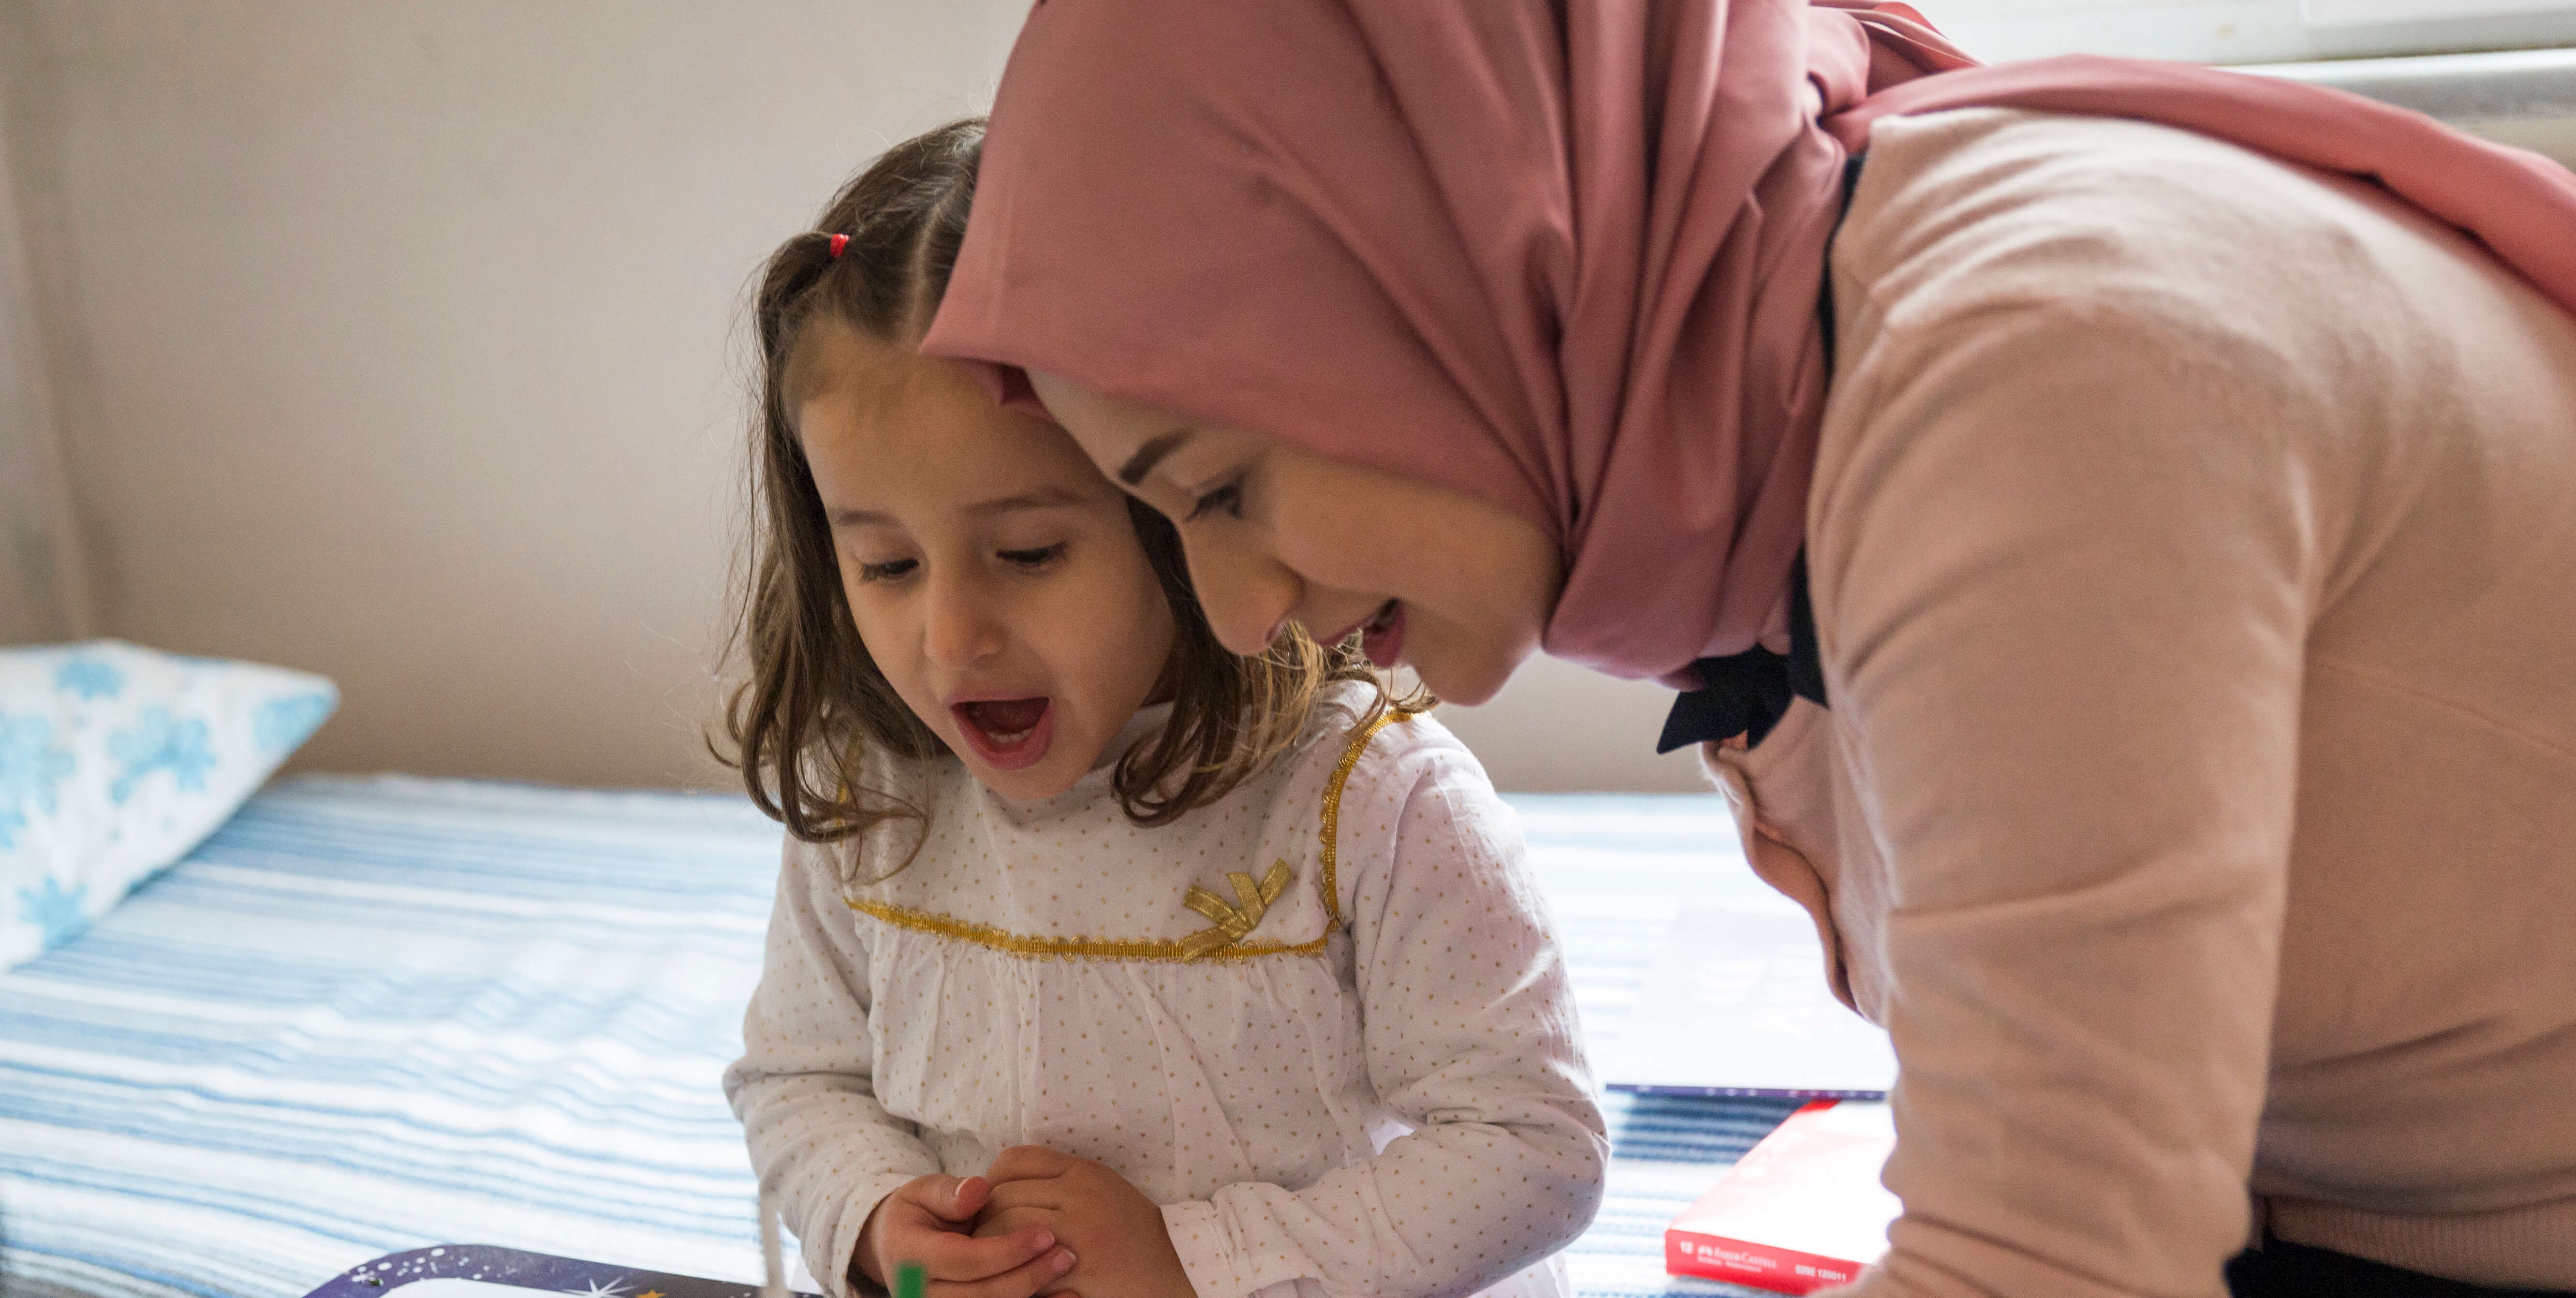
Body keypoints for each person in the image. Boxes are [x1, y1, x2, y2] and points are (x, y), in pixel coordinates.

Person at [917, 3, 2576, 1295]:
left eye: (1217, 487)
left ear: (1436, 247)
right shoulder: (1779, 409)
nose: (1237, 611)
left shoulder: (2021, 383)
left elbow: (2050, 1260)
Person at [717, 122, 1606, 1298]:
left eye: (1029, 552)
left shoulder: (1369, 801)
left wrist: (1195, 1263)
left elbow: (1536, 1150)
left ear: (1177, 514)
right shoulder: (875, 800)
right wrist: (882, 1219)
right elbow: (797, 1081)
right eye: (886, 567)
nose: (949, 637)